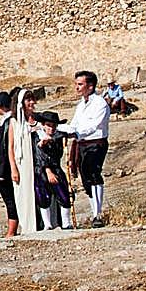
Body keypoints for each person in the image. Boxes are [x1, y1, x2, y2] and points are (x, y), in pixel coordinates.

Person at [59, 71, 111, 228]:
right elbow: (74, 124)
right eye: (76, 84)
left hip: (96, 143)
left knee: (93, 173)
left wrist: (77, 132)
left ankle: (98, 214)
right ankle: (94, 210)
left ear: (90, 86)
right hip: (81, 144)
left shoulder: (100, 104)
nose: (77, 87)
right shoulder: (81, 105)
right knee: (85, 177)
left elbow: (94, 125)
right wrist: (56, 128)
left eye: (80, 84)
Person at [32, 111, 73, 230]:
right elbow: (39, 155)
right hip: (41, 170)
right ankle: (47, 224)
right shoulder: (36, 136)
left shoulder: (58, 136)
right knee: (43, 196)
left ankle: (66, 223)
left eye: (54, 125)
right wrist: (48, 170)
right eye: (49, 125)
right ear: (43, 125)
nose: (51, 128)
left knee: (64, 194)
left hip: (56, 167)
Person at [8, 90, 40, 234]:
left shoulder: (38, 120)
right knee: (24, 194)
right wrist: (13, 168)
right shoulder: (14, 122)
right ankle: (28, 227)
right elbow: (10, 148)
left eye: (32, 100)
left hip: (38, 162)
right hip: (22, 163)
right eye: (28, 100)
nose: (31, 103)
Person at [0, 90, 18, 236]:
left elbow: (5, 148)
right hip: (3, 168)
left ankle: (12, 230)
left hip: (5, 168)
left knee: (9, 200)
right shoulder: (6, 121)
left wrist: (0, 170)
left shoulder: (8, 122)